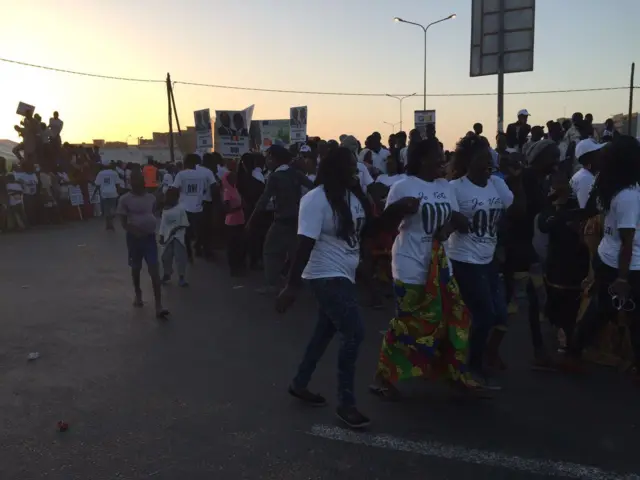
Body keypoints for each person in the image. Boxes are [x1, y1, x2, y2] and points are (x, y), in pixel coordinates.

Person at [371, 138, 482, 399]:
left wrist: (450, 227)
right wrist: (399, 208)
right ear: (421, 159)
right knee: (409, 323)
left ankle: (452, 372)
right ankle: (383, 376)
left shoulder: (445, 187)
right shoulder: (403, 186)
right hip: (409, 264)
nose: (442, 161)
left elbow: (453, 217)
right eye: (437, 156)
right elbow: (386, 226)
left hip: (439, 265)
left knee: (454, 316)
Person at [276, 147, 372, 429]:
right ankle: (346, 404)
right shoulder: (314, 200)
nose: (356, 171)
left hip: (346, 271)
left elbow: (363, 230)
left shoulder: (351, 195)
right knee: (354, 332)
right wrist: (291, 286)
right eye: (351, 166)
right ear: (336, 169)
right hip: (325, 274)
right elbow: (304, 243)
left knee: (324, 331)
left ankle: (300, 382)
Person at [447, 135, 522, 383]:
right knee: (484, 315)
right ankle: (472, 364)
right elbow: (448, 224)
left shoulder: (496, 185)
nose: (488, 162)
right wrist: (455, 222)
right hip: (464, 258)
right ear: (469, 161)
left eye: (490, 157)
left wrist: (517, 177)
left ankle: (484, 355)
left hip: (489, 257)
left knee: (501, 314)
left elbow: (514, 211)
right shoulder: (455, 188)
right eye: (482, 157)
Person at [566, 136, 640, 375]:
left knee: (603, 310)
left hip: (606, 257)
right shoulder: (628, 194)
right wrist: (622, 278)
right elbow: (627, 240)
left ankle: (574, 351)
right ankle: (574, 352)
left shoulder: (608, 183)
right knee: (613, 312)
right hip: (625, 264)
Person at [246, 145, 314, 295]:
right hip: (297, 220)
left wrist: (251, 220)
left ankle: (272, 285)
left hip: (282, 220)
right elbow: (313, 187)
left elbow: (263, 200)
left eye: (269, 157)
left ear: (274, 158)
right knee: (294, 253)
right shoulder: (296, 173)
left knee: (270, 252)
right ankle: (296, 282)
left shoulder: (275, 176)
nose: (267, 161)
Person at [537, 171, 590, 353]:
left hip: (577, 260)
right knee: (557, 298)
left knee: (574, 300)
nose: (560, 186)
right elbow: (544, 226)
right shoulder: (549, 207)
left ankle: (571, 336)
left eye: (563, 182)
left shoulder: (577, 205)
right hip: (556, 261)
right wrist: (558, 211)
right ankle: (561, 335)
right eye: (556, 183)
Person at [117, 170, 169, 318]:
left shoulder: (150, 198)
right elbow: (123, 223)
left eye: (141, 182)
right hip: (134, 239)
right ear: (131, 184)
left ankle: (159, 305)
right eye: (136, 182)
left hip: (149, 238)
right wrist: (136, 231)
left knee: (154, 270)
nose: (139, 185)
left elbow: (152, 212)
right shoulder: (125, 199)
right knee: (136, 268)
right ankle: (138, 293)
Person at [172, 153, 214, 260]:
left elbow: (174, 189)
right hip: (198, 208)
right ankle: (200, 250)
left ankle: (188, 252)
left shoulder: (181, 175)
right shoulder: (202, 175)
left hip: (184, 208)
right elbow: (205, 189)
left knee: (185, 232)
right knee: (200, 231)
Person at [159, 187, 190, 287]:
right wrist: (161, 235)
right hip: (167, 237)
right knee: (165, 257)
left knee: (180, 257)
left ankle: (181, 277)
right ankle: (167, 274)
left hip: (178, 237)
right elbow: (163, 224)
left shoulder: (181, 208)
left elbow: (185, 223)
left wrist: (175, 230)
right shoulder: (165, 209)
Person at [222, 170, 246, 276]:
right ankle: (233, 267)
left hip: (240, 220)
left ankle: (239, 265)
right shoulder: (227, 191)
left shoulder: (235, 189)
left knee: (239, 244)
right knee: (232, 246)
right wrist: (240, 207)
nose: (234, 179)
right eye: (232, 177)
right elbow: (227, 209)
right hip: (231, 222)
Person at [570, 139, 606, 208]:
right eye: (598, 153)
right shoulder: (585, 179)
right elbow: (586, 211)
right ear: (589, 159)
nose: (602, 156)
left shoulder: (585, 174)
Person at [196, 154, 219, 260]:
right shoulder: (208, 172)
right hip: (206, 202)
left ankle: (197, 247)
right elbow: (214, 188)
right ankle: (207, 251)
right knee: (207, 227)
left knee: (198, 227)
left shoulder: (194, 169)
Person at [94, 163, 124, 230]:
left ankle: (108, 224)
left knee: (106, 209)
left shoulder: (100, 173)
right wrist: (119, 192)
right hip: (113, 193)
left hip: (104, 193)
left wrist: (95, 193)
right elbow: (118, 184)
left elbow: (97, 184)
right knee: (112, 207)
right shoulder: (114, 173)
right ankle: (111, 222)